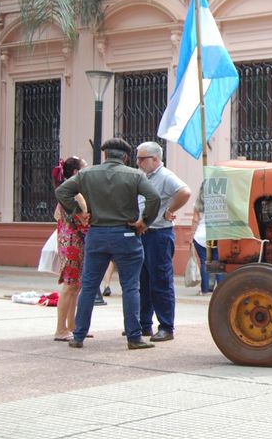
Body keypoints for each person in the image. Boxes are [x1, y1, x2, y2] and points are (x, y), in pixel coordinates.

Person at [55, 138, 161, 350]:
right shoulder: (135, 175)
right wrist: (144, 222)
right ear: (124, 157)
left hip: (97, 235)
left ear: (105, 155)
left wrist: (79, 213)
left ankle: (78, 336)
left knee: (88, 287)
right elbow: (154, 197)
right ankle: (134, 337)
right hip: (126, 236)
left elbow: (62, 192)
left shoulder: (87, 174)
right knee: (131, 287)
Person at [135, 141, 191, 342]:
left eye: (142, 158)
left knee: (160, 281)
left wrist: (169, 211)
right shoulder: (145, 176)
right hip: (144, 233)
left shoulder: (165, 176)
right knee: (143, 281)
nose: (138, 162)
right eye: (138, 158)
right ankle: (144, 324)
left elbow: (184, 192)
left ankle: (166, 326)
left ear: (155, 159)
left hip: (159, 234)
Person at [51, 157, 89, 342]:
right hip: (73, 242)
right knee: (70, 286)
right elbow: (82, 218)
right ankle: (60, 329)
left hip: (72, 241)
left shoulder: (71, 191)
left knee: (74, 286)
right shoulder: (72, 193)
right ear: (76, 172)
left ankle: (71, 326)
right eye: (84, 167)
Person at [191, 186, 221, 295]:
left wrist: (191, 237)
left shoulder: (198, 202)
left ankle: (205, 290)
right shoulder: (220, 203)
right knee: (217, 262)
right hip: (216, 234)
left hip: (200, 235)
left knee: (204, 262)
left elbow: (195, 220)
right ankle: (221, 290)